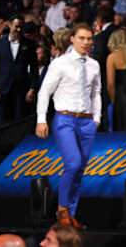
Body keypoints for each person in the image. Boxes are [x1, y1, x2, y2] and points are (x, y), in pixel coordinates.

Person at [36, 23, 101, 229]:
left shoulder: (94, 65)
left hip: (87, 121)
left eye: (89, 39)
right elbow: (44, 91)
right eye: (82, 38)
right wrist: (41, 119)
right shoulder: (60, 63)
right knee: (72, 163)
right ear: (72, 39)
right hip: (65, 119)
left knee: (79, 170)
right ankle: (62, 211)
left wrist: (96, 118)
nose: (86, 42)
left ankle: (70, 216)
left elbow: (96, 93)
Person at [0, 15, 39, 120]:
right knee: (2, 121)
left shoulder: (29, 44)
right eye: (16, 26)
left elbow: (34, 68)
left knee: (19, 121)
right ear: (10, 25)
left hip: (21, 91)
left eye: (21, 27)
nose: (19, 30)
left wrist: (32, 88)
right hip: (2, 90)